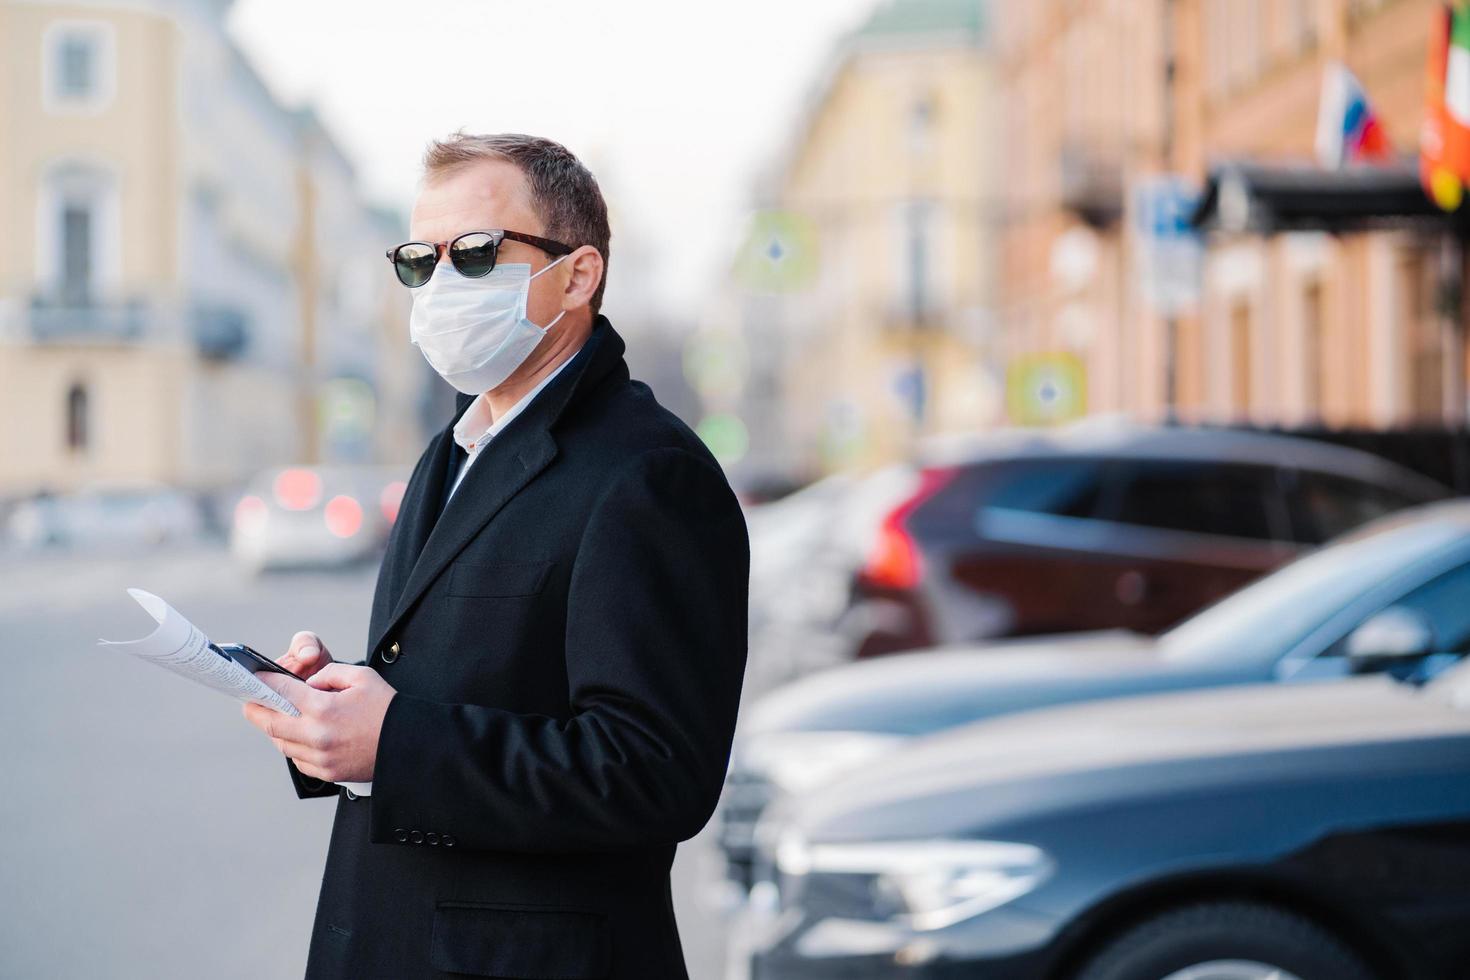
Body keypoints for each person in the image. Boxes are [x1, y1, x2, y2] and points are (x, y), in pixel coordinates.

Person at [242, 132, 750, 980]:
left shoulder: (648, 475)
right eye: (419, 260)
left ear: (578, 275)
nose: (441, 285)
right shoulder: (453, 448)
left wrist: (395, 740)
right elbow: (468, 681)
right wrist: (333, 712)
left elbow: (656, 774)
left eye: (475, 253)